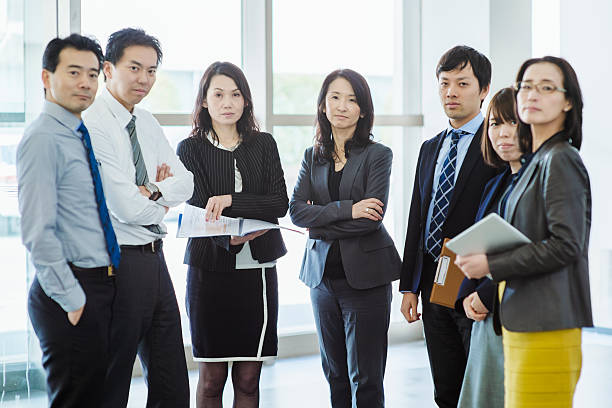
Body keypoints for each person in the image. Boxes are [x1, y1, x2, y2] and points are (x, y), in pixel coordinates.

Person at [456, 56, 592, 408]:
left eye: (546, 88)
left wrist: (491, 265)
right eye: (526, 87)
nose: (533, 94)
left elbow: (566, 245)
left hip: (546, 322)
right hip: (522, 319)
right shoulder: (539, 160)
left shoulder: (561, 158)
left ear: (568, 102)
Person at [83, 28, 193, 407]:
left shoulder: (146, 122)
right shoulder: (93, 123)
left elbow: (188, 183)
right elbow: (125, 207)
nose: (144, 79)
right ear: (108, 69)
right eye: (135, 67)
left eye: (151, 70)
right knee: (114, 378)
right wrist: (158, 197)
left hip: (154, 259)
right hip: (117, 262)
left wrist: (152, 192)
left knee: (171, 378)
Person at [176, 61, 288, 408]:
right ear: (205, 101)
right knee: (211, 381)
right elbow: (198, 211)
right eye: (219, 94)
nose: (228, 102)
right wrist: (230, 235)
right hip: (209, 272)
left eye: (236, 94)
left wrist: (231, 201)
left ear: (246, 100)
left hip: (258, 275)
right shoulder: (190, 149)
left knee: (248, 378)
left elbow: (279, 202)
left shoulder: (264, 144)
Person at [17, 34, 119, 407]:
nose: (85, 83)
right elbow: (37, 232)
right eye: (74, 72)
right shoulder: (43, 138)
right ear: (46, 77)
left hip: (95, 284)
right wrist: (74, 300)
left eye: (93, 75)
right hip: (70, 289)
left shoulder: (77, 133)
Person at [289, 69, 401, 408]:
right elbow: (295, 212)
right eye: (335, 97)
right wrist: (348, 209)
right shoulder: (313, 156)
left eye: (352, 100)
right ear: (323, 105)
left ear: (363, 109)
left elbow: (371, 221)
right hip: (322, 280)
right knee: (334, 373)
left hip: (365, 281)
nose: (342, 106)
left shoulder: (378, 155)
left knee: (365, 378)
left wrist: (320, 221)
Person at [398, 45, 497, 408]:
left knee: (479, 390)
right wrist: (409, 285)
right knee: (445, 390)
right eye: (444, 83)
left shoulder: (496, 145)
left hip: (473, 283)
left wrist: (488, 289)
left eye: (462, 83)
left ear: (483, 89)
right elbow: (417, 217)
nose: (451, 92)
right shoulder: (430, 147)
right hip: (433, 280)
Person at [455, 87, 532, 408]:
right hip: (484, 312)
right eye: (495, 124)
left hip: (515, 308)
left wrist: (485, 295)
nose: (502, 133)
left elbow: (527, 252)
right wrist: (467, 295)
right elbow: (480, 245)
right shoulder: (495, 183)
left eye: (512, 123)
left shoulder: (535, 180)